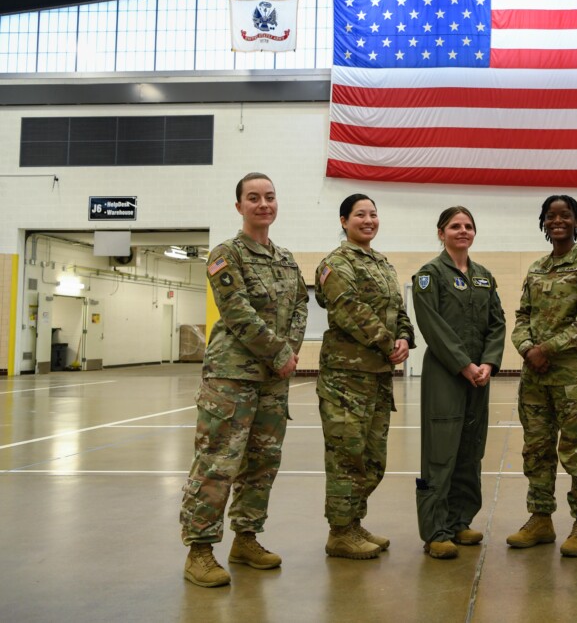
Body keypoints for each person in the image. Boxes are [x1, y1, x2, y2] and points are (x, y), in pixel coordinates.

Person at [179, 172, 308, 588]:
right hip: (232, 378)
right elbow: (236, 312)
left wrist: (289, 348)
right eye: (253, 198)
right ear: (239, 206)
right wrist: (280, 351)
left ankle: (246, 538)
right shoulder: (225, 254)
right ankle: (199, 550)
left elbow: (301, 306)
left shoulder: (285, 259)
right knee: (218, 462)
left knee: (262, 463)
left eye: (269, 197)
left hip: (273, 379)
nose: (263, 204)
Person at [507, 195, 577, 558]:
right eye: (550, 216)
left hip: (572, 379)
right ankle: (540, 518)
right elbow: (521, 315)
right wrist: (525, 348)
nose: (557, 221)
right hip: (534, 379)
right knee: (536, 449)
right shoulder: (536, 268)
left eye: (565, 215)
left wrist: (545, 349)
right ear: (543, 222)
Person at [314, 193, 415, 560]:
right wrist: (389, 344)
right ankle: (339, 532)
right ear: (344, 221)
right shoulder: (336, 263)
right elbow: (348, 310)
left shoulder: (382, 264)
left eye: (373, 214)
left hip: (378, 376)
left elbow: (398, 309)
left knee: (373, 459)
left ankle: (353, 522)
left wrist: (404, 337)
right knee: (346, 456)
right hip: (346, 378)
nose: (368, 220)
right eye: (360, 214)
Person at [412, 206, 506, 559]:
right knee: (440, 451)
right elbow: (432, 325)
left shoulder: (483, 276)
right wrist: (463, 363)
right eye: (455, 226)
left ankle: (460, 520)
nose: (462, 231)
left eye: (468, 226)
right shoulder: (429, 275)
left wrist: (487, 362)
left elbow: (497, 322)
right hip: (445, 375)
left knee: (470, 447)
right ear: (441, 232)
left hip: (479, 378)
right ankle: (435, 529)